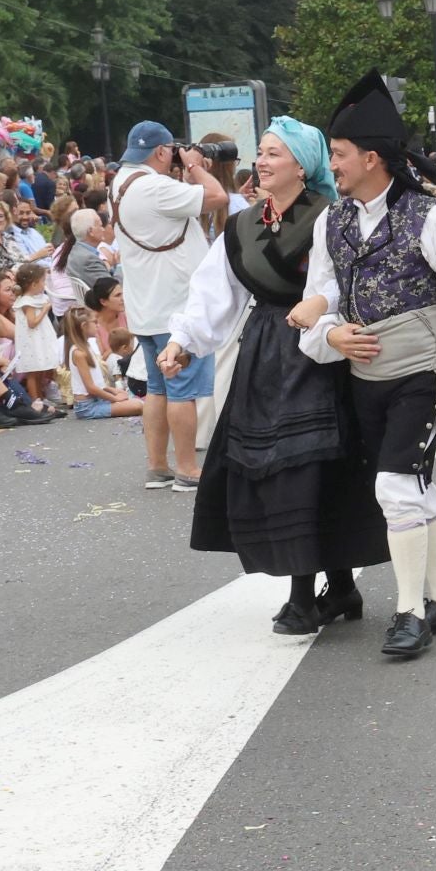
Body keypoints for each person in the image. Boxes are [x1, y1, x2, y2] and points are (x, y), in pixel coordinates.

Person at [296, 70, 436, 660]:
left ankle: (409, 613)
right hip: (364, 375)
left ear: (372, 158)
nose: (334, 166)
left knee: (396, 487)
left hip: (423, 372)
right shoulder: (332, 220)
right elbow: (323, 290)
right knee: (412, 488)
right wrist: (330, 334)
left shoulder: (434, 218)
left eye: (340, 155)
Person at [163, 116, 390, 634]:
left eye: (273, 153)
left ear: (303, 167)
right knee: (280, 468)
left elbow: (342, 283)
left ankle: (304, 597)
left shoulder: (334, 217)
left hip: (322, 352)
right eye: (261, 153)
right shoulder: (242, 225)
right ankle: (341, 589)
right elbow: (213, 292)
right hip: (265, 352)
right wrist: (183, 341)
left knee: (312, 468)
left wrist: (320, 310)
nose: (261, 162)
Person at [112, 120, 226, 492]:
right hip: (176, 309)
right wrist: (193, 166)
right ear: (162, 151)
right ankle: (188, 468)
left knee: (158, 390)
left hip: (146, 308)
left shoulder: (121, 182)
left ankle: (157, 466)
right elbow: (217, 198)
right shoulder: (157, 188)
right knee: (182, 390)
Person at [64, 305, 142, 419]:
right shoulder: (79, 353)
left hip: (98, 400)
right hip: (87, 407)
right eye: (95, 322)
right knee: (138, 406)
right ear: (84, 326)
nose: (98, 325)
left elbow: (97, 384)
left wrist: (115, 391)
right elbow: (90, 388)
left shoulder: (87, 346)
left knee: (134, 399)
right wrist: (115, 398)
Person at [10, 261, 59, 407]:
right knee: (32, 372)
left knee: (38, 371)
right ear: (34, 284)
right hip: (32, 341)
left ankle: (40, 397)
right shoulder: (27, 302)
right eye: (43, 281)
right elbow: (32, 323)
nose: (44, 284)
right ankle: (35, 401)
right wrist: (45, 310)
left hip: (38, 339)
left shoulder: (35, 299)